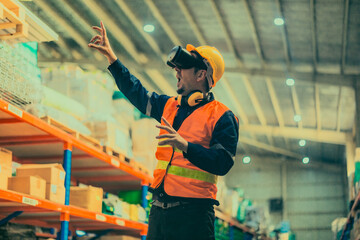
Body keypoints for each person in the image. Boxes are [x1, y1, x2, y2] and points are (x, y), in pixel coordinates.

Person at [89, 22, 239, 240]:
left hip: (193, 217)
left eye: (184, 67)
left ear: (201, 75)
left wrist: (185, 146)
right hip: (159, 211)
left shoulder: (223, 117)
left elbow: (222, 162)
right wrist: (113, 59)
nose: (176, 71)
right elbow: (136, 92)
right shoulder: (170, 105)